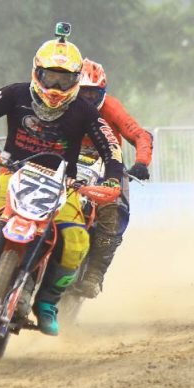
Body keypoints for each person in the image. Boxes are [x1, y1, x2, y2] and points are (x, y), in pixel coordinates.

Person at [0, 24, 125, 336]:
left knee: (76, 241)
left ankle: (47, 304)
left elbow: (111, 147)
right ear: (36, 72)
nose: (55, 86)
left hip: (63, 186)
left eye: (64, 79)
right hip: (12, 173)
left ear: (76, 80)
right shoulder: (15, 93)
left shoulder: (84, 111)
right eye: (50, 77)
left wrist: (111, 181)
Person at [70, 59, 154, 299]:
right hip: (68, 162)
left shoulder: (111, 107)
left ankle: (94, 274)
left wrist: (141, 162)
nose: (88, 99)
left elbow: (140, 134)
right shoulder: (60, 105)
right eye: (82, 93)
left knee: (115, 214)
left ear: (103, 92)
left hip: (109, 166)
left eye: (93, 94)